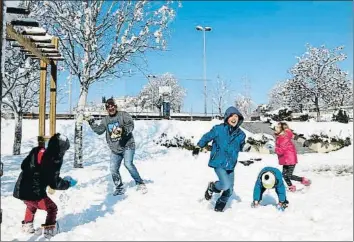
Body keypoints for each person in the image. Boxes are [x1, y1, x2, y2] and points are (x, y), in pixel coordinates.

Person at [13, 134, 77, 238]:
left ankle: (27, 225)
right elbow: (54, 182)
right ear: (60, 150)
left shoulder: (37, 151)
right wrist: (67, 184)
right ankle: (49, 230)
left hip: (21, 189)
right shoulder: (53, 160)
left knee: (31, 205)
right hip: (34, 192)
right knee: (52, 208)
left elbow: (24, 165)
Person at [84, 98, 147, 196]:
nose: (111, 108)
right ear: (106, 109)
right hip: (115, 149)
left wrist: (125, 130)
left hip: (127, 145)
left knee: (128, 164)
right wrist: (91, 122)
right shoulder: (105, 120)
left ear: (115, 106)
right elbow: (99, 130)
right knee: (113, 169)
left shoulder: (123, 115)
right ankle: (119, 187)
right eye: (108, 107)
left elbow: (130, 124)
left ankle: (140, 183)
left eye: (112, 106)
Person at [192, 106, 246, 212]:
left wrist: (246, 147)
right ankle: (212, 186)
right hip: (218, 162)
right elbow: (206, 137)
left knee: (229, 190)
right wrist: (198, 146)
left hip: (231, 164)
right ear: (227, 117)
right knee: (225, 184)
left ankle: (220, 204)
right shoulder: (218, 129)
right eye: (231, 116)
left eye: (236, 116)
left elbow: (241, 146)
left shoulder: (241, 135)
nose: (234, 118)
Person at [273, 122, 311, 192]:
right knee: (284, 175)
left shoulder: (283, 138)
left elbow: (281, 150)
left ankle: (303, 180)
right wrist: (303, 141)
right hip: (286, 159)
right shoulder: (283, 135)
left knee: (288, 175)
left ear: (282, 130)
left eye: (278, 127)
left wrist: (273, 148)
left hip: (290, 159)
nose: (275, 128)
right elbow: (294, 136)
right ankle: (291, 187)